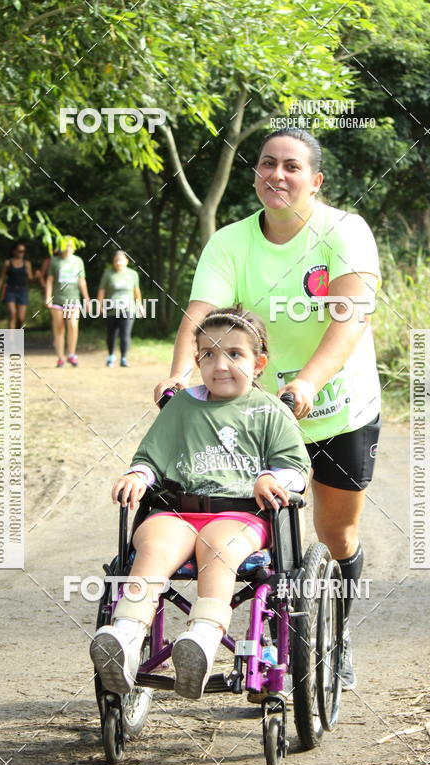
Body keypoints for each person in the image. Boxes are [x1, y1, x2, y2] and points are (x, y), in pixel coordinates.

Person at [154, 128, 382, 691]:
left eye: (291, 167)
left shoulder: (343, 232)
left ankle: (336, 632)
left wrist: (306, 382)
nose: (276, 175)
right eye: (266, 165)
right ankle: (259, 630)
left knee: (336, 533)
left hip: (336, 407)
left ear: (316, 180)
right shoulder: (230, 242)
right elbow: (200, 315)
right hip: (254, 412)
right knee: (249, 518)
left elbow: (350, 317)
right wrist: (179, 375)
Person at [90, 307, 309, 700]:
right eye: (208, 354)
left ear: (258, 363)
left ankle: (203, 638)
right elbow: (150, 459)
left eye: (234, 354)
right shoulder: (182, 406)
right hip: (179, 508)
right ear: (197, 361)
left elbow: (296, 468)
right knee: (153, 544)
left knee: (217, 546)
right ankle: (125, 634)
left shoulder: (270, 411)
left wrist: (272, 478)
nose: (219, 364)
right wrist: (137, 476)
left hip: (241, 513)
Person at [45, 236, 90, 367]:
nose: (68, 248)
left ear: (74, 247)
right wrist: (48, 297)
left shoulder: (78, 261)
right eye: (65, 245)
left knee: (73, 326)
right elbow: (49, 280)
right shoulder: (55, 261)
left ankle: (71, 354)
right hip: (57, 300)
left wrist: (86, 298)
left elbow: (82, 281)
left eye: (70, 245)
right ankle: (60, 357)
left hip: (73, 299)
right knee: (59, 328)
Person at [97, 250, 142, 367]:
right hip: (111, 308)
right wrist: (99, 305)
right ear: (113, 262)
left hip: (128, 309)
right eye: (116, 260)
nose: (118, 262)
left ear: (127, 261)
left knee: (125, 334)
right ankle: (111, 356)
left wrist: (139, 305)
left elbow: (136, 291)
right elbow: (102, 290)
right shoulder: (108, 274)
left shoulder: (133, 274)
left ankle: (123, 358)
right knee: (111, 334)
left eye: (121, 260)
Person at [0, 241, 34, 327]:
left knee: (20, 319)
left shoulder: (27, 264)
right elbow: (1, 279)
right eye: (19, 251)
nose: (22, 253)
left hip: (22, 291)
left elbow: (30, 278)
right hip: (10, 291)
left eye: (23, 251)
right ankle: (11, 340)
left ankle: (17, 336)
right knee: (12, 314)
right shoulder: (8, 263)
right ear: (14, 251)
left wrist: (37, 276)